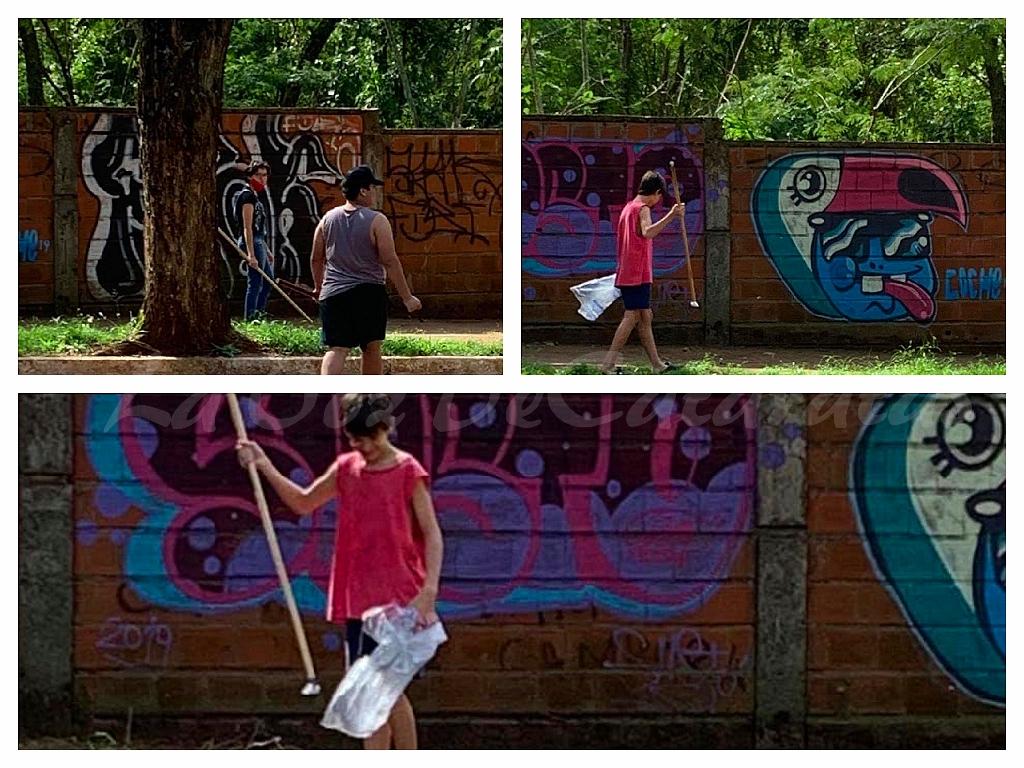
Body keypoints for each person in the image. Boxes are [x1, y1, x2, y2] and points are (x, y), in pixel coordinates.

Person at [235, 393, 443, 750]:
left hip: (399, 598)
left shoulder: (408, 470)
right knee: (375, 693)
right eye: (355, 439)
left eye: (370, 438)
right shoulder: (346, 468)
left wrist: (428, 593)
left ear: (386, 428)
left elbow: (433, 534)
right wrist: (264, 464)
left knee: (386, 692)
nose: (364, 447)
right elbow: (303, 501)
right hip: (358, 599)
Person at [312, 165, 422, 375]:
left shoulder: (326, 219)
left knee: (337, 348)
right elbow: (390, 260)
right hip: (368, 294)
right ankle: (370, 398)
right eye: (372, 187)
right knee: (371, 347)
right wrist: (407, 297)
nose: (374, 192)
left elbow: (316, 258)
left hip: (333, 294)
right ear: (363, 190)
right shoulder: (377, 220)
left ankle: (326, 396)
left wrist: (319, 287)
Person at [601, 170, 685, 373]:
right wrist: (672, 215)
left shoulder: (628, 208)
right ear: (656, 192)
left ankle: (657, 364)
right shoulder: (642, 209)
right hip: (636, 273)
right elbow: (648, 232)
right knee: (631, 317)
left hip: (630, 271)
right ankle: (607, 365)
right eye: (659, 196)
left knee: (645, 316)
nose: (658, 200)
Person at [235, 160, 274, 320]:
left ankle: (258, 314)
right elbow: (247, 227)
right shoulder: (247, 196)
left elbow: (258, 228)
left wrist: (267, 250)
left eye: (264, 175)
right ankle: (251, 318)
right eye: (258, 175)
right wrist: (251, 254)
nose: (262, 179)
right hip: (251, 242)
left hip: (259, 242)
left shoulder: (256, 196)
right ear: (250, 176)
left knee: (268, 281)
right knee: (256, 282)